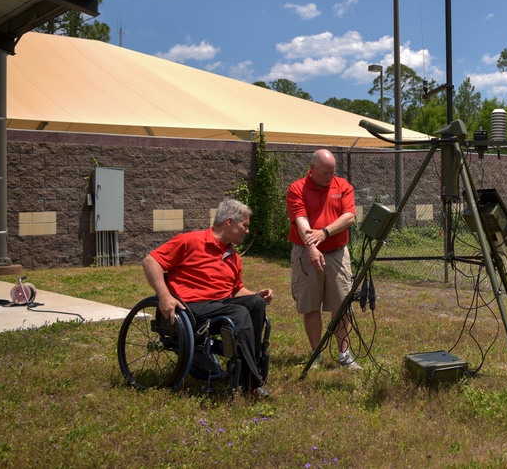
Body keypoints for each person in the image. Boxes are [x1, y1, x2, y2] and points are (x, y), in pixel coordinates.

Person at [142, 198, 273, 396]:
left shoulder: (233, 255)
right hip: (191, 308)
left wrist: (257, 295)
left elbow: (236, 290)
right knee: (237, 311)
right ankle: (250, 383)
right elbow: (151, 261)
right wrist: (164, 295)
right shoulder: (190, 241)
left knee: (254, 304)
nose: (247, 231)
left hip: (220, 305)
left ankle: (247, 368)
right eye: (244, 226)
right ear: (229, 222)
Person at [286, 148, 360, 370]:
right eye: (325, 173)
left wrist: (324, 232)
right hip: (305, 251)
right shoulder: (297, 188)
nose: (330, 177)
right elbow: (300, 219)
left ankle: (344, 354)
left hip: (337, 252)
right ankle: (316, 353)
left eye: (332, 172)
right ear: (312, 169)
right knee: (310, 305)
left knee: (342, 305)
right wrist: (311, 246)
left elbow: (349, 217)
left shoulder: (342, 186)